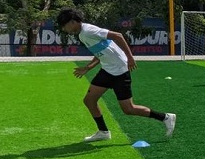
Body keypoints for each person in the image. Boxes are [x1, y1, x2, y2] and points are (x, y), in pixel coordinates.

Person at [56, 8, 176, 142]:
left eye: (64, 26)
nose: (64, 29)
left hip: (119, 71)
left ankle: (166, 117)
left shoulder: (88, 30)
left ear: (72, 22)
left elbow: (118, 36)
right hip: (108, 70)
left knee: (128, 109)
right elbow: (101, 52)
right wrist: (88, 68)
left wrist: (130, 58)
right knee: (89, 100)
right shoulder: (82, 34)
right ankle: (103, 132)